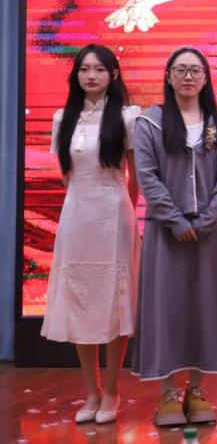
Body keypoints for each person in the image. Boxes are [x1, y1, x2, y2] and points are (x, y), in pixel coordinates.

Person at [131, 46, 217, 427]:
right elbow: (147, 176)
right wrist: (175, 220)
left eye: (195, 70)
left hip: (207, 231)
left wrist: (208, 218)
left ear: (206, 78)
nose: (188, 77)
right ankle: (167, 393)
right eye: (181, 70)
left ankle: (196, 389)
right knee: (165, 308)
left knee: (204, 306)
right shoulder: (150, 122)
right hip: (165, 232)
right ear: (168, 76)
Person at [43, 44, 141, 425]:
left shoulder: (129, 117)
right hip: (76, 215)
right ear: (76, 75)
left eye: (99, 69)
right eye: (84, 69)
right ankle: (91, 391)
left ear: (113, 75)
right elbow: (66, 175)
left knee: (114, 300)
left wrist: (125, 211)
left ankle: (112, 390)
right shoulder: (62, 118)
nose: (91, 76)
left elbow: (134, 177)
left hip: (115, 214)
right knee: (80, 298)